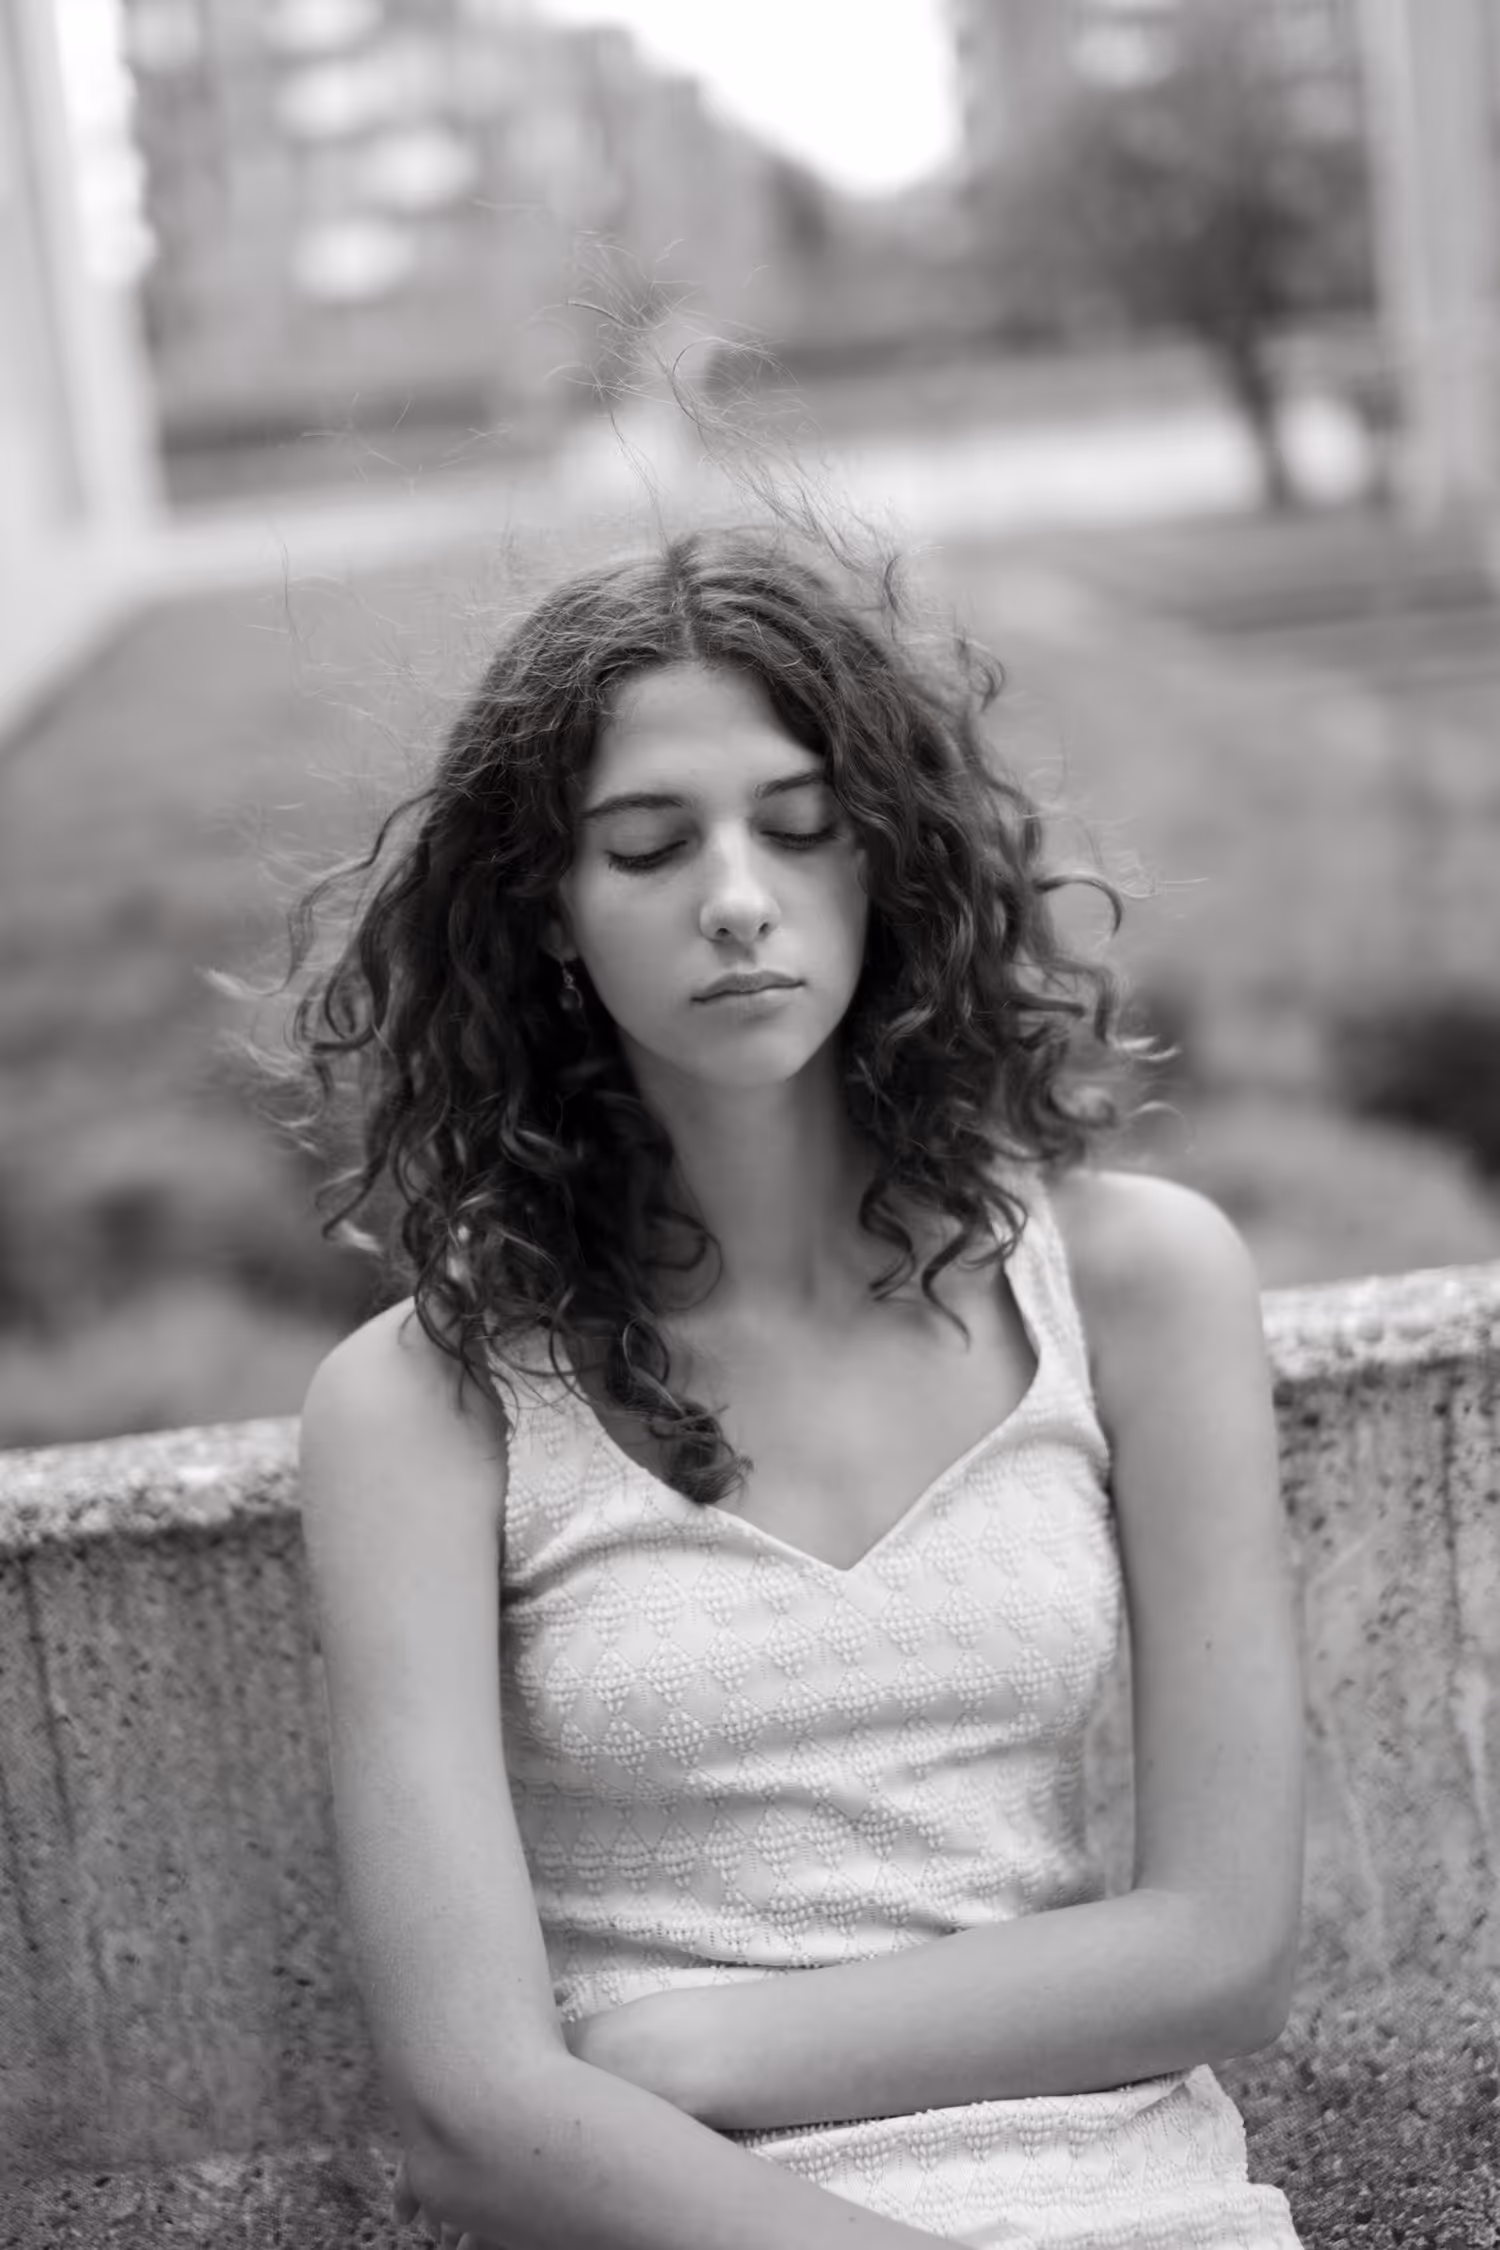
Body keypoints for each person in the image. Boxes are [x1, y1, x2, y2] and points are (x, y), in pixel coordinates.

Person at [290, 518, 1306, 2250]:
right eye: (646, 844)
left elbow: (1222, 1946)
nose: (738, 893)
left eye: (803, 825)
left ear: (887, 862)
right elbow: (475, 2112)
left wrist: (685, 2044)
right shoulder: (426, 1406)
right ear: (547, 910)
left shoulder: (1138, 1285)